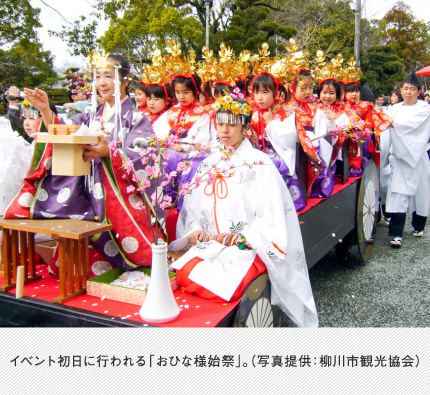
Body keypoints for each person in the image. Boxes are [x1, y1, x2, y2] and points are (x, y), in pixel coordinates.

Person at [169, 95, 319, 327]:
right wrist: (195, 228)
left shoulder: (259, 164)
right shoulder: (209, 163)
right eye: (220, 124)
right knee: (186, 275)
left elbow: (272, 214)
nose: (225, 130)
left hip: (245, 246)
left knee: (224, 282)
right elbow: (193, 206)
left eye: (232, 124)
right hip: (212, 243)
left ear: (246, 127)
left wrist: (249, 238)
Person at [4, 52, 156, 275]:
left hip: (115, 194)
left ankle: (121, 260)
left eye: (108, 76)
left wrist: (111, 152)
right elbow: (63, 130)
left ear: (124, 79)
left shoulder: (135, 117)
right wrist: (46, 109)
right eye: (98, 76)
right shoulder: (90, 112)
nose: (102, 82)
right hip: (85, 189)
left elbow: (145, 154)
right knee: (70, 263)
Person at [384, 69, 430, 247]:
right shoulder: (394, 109)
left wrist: (393, 124)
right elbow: (386, 130)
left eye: (412, 89)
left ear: (419, 91)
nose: (408, 92)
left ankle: (418, 226)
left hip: (418, 156)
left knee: (421, 192)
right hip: (399, 157)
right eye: (405, 88)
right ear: (400, 90)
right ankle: (396, 233)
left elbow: (412, 127)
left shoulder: (424, 108)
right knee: (397, 193)